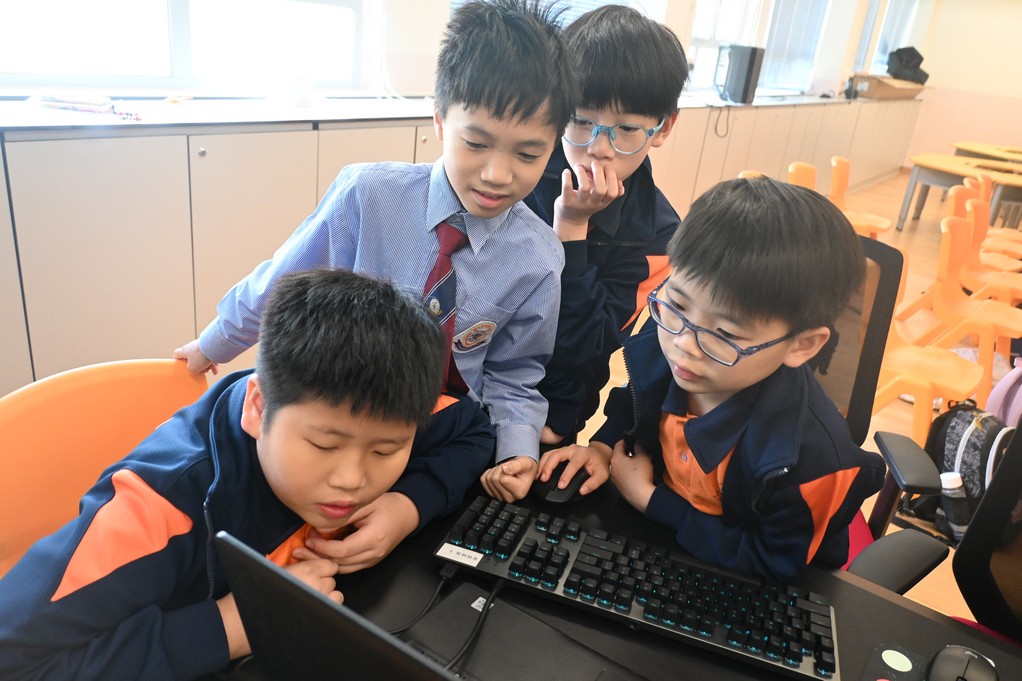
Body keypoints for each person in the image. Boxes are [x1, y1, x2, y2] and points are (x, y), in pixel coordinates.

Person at [174, 0, 577, 505]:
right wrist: (213, 344)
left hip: (443, 437)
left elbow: (515, 373)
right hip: (345, 423)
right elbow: (281, 285)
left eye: (528, 154)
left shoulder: (538, 258)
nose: (497, 174)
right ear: (439, 120)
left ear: (553, 146)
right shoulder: (367, 197)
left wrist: (517, 451)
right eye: (476, 144)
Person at [0, 269, 495, 680]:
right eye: (324, 446)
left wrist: (405, 508)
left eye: (386, 450)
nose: (352, 479)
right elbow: (15, 660)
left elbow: (472, 430)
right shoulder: (162, 506)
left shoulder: (379, 405)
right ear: (258, 408)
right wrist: (234, 623)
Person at [541, 177, 886, 582]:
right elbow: (634, 400)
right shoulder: (670, 335)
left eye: (725, 335)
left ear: (802, 345)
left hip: (743, 575)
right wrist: (602, 449)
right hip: (657, 538)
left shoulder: (813, 462)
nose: (684, 345)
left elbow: (774, 564)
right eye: (677, 304)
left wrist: (650, 501)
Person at [524, 6, 688, 480]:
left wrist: (571, 230)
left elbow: (590, 347)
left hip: (554, 419)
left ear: (664, 127)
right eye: (579, 120)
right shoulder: (518, 175)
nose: (598, 146)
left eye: (627, 129)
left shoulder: (658, 236)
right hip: (473, 397)